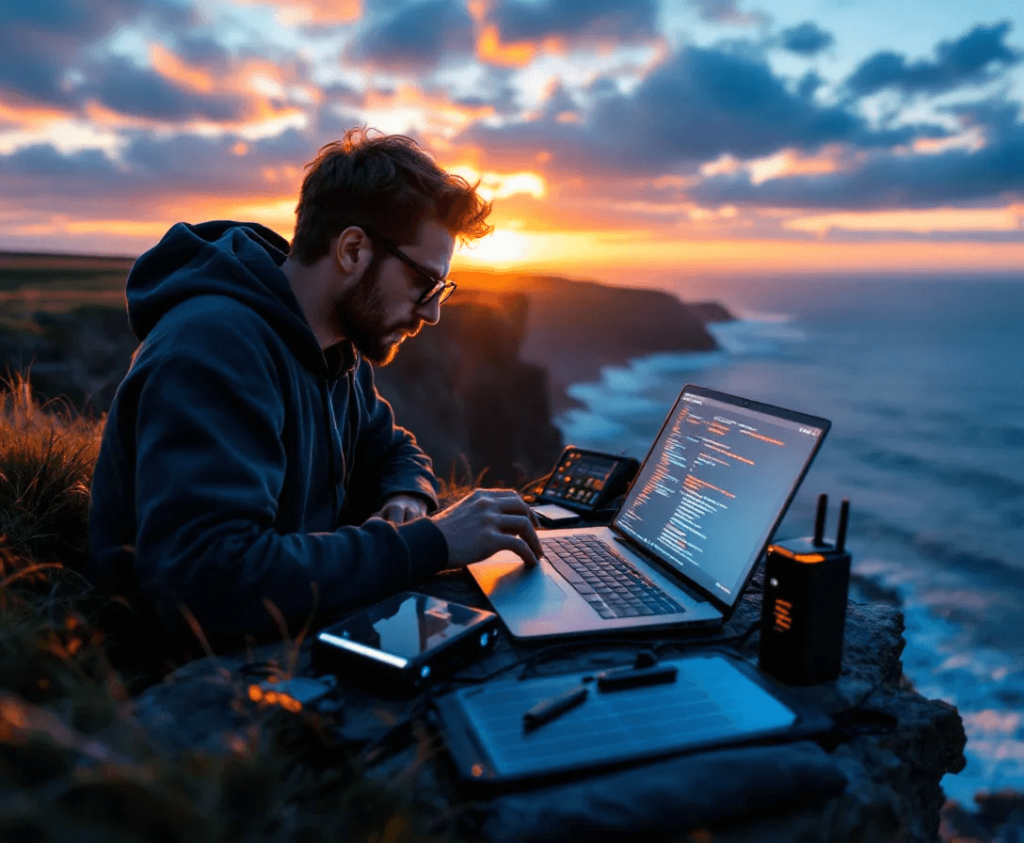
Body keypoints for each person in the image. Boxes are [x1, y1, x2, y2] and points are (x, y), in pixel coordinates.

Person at [87, 127, 543, 642]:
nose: (434, 313)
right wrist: (431, 542)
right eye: (423, 283)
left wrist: (406, 497)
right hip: (174, 675)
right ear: (352, 250)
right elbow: (208, 581)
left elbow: (395, 451)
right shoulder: (212, 349)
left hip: (286, 630)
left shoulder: (336, 348)